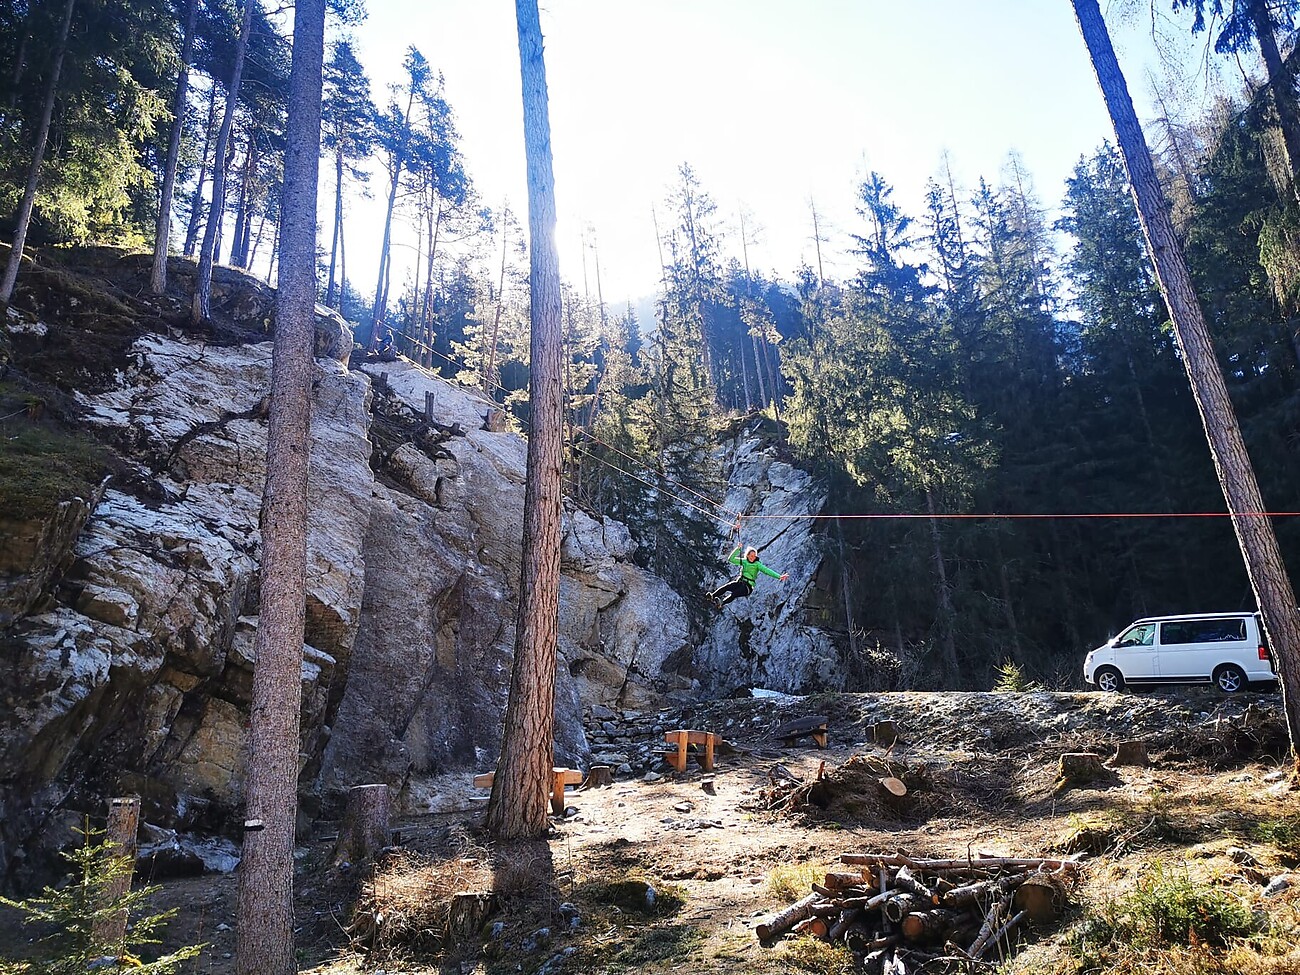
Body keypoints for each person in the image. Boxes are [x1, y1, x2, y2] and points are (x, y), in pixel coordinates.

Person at [710, 545, 788, 609]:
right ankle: (712, 595)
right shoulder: (744, 561)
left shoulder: (757, 564)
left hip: (748, 587)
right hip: (740, 582)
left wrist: (779, 576)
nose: (752, 558)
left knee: (734, 594)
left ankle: (722, 603)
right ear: (747, 555)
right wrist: (738, 549)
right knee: (727, 587)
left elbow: (766, 570)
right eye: (751, 556)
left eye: (754, 556)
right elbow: (731, 559)